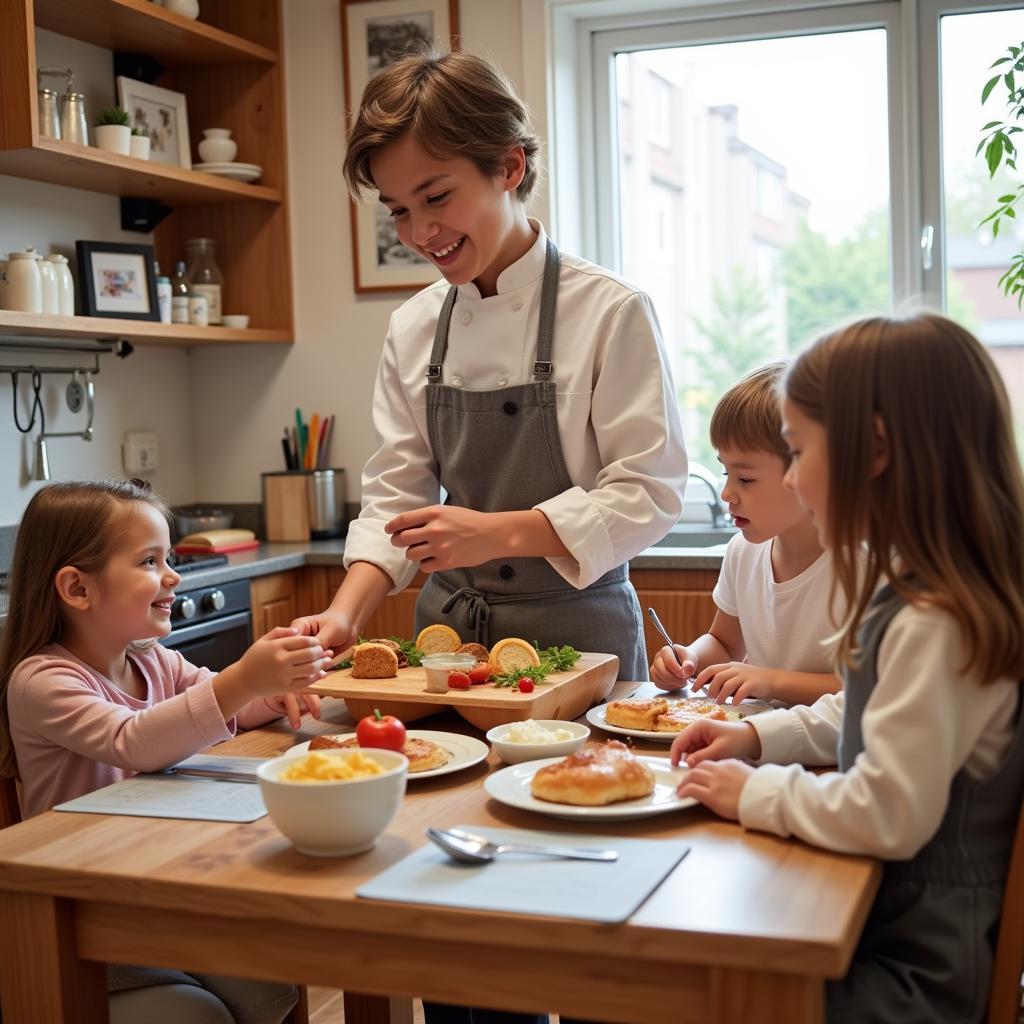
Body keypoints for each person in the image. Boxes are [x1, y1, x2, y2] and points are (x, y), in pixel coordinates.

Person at [293, 48, 688, 685]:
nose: (420, 232)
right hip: (447, 644)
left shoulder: (611, 310)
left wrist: (498, 533)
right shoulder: (414, 325)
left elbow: (651, 492)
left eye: (436, 196)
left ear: (509, 166)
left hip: (582, 645)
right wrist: (345, 614)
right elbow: (397, 493)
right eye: (397, 209)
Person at [671, 314, 1024, 1022]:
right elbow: (861, 711)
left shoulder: (935, 619)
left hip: (913, 969)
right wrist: (759, 740)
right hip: (885, 933)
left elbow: (886, 813)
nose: (795, 480)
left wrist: (754, 793)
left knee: (684, 985)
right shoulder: (922, 592)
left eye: (798, 452)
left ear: (876, 453)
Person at [0, 479, 332, 1024]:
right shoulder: (43, 681)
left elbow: (228, 708)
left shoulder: (153, 660)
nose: (173, 575)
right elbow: (134, 740)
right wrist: (241, 681)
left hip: (160, 887)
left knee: (272, 981)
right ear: (77, 589)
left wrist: (269, 691)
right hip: (82, 915)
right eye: (150, 560)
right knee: (199, 1014)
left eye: (168, 557)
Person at [650, 362, 841, 705]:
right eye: (725, 472)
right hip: (759, 739)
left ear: (809, 471)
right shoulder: (743, 551)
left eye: (746, 479)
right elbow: (724, 643)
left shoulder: (861, 563)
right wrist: (689, 658)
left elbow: (866, 688)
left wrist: (770, 681)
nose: (727, 493)